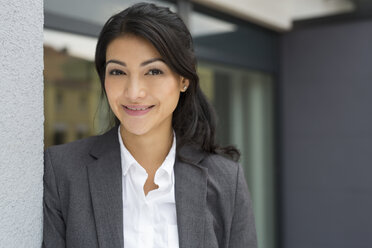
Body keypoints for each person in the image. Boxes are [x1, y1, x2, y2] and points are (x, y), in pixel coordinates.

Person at [43, 2, 257, 248]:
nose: (134, 93)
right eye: (118, 72)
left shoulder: (227, 180)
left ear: (184, 80)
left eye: (153, 72)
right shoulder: (63, 172)